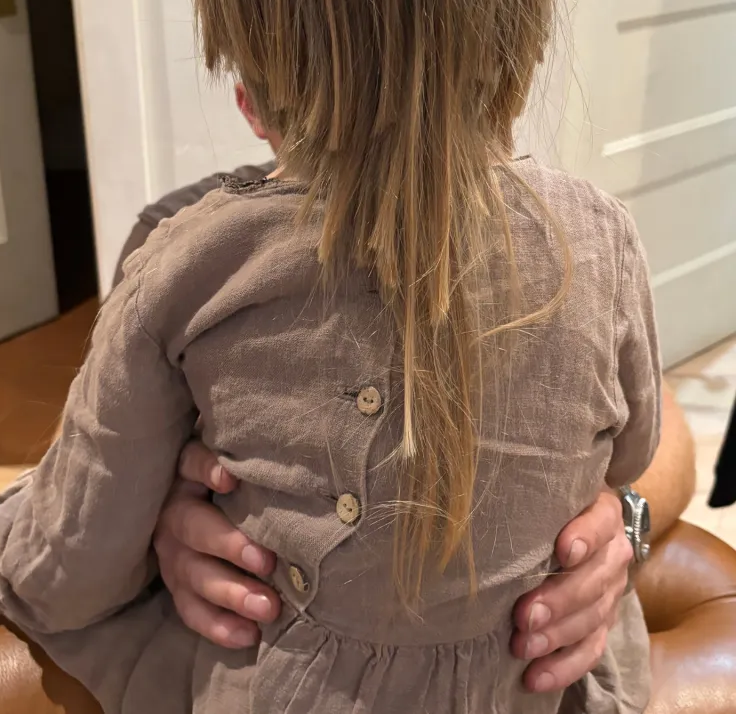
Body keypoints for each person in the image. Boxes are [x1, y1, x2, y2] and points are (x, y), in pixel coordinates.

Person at [0, 0, 660, 713]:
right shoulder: (599, 240)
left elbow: (62, 568)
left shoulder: (187, 267)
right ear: (519, 13)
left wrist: (18, 530)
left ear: (248, 62)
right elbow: (631, 455)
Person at [120, 129, 698, 697]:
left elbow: (662, 437)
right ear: (249, 103)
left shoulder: (562, 240)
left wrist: (621, 519)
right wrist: (151, 523)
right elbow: (99, 475)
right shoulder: (174, 240)